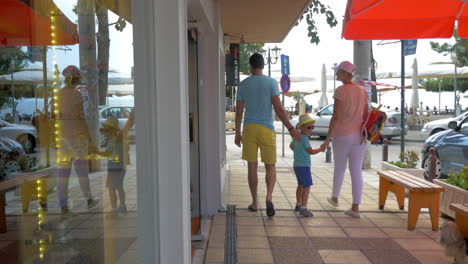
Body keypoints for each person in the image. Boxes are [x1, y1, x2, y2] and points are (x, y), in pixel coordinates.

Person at [235, 53, 300, 217]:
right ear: (263, 65)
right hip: (267, 129)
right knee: (270, 166)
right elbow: (278, 108)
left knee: (252, 166)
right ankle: (269, 197)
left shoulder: (243, 85)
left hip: (249, 128)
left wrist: (237, 132)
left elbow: (239, 111)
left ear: (250, 66)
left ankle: (255, 203)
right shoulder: (271, 82)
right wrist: (291, 128)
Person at [321, 61, 369, 218]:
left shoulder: (340, 90)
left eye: (338, 72)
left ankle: (335, 198)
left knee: (340, 168)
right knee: (356, 172)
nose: (336, 74)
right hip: (359, 136)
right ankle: (355, 207)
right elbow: (365, 114)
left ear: (345, 74)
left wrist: (328, 138)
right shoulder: (362, 91)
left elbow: (336, 117)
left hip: (342, 135)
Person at [54, 65, 98, 215]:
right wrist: (89, 137)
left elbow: (56, 117)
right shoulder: (76, 95)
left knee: (63, 172)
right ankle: (88, 199)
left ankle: (63, 205)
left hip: (63, 138)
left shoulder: (58, 94)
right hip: (77, 137)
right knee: (81, 170)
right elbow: (80, 117)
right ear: (76, 78)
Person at [289, 114, 325, 217]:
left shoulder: (297, 136)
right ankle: (304, 208)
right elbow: (311, 151)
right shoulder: (304, 138)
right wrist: (320, 149)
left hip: (296, 165)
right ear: (301, 127)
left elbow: (291, 146)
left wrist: (298, 152)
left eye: (312, 127)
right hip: (304, 166)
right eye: (308, 127)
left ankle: (298, 204)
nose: (311, 130)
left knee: (300, 185)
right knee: (307, 186)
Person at [99, 116, 131, 217]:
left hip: (114, 168)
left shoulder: (112, 141)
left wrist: (94, 151)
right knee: (119, 187)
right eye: (104, 130)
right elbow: (127, 148)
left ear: (112, 130)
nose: (104, 132)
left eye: (106, 130)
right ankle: (122, 206)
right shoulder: (119, 140)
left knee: (111, 189)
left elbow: (107, 153)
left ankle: (114, 209)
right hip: (121, 168)